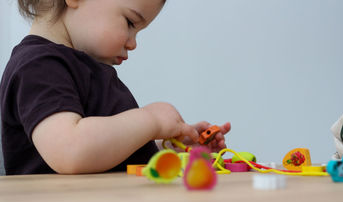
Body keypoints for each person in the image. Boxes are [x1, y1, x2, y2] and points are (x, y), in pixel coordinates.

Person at [0, 0, 231, 175]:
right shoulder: (38, 67)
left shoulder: (83, 68)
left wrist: (166, 145)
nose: (133, 43)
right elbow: (70, 150)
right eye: (130, 23)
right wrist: (152, 121)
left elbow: (104, 151)